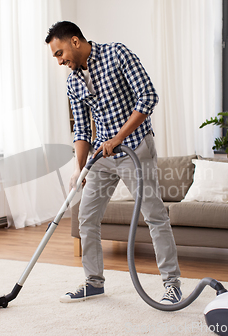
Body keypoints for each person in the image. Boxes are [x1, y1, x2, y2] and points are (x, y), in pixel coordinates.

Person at [45, 21, 181, 304]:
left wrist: (118, 138)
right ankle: (94, 283)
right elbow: (82, 130)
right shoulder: (73, 82)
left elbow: (148, 97)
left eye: (59, 54)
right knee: (86, 218)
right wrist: (79, 168)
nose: (59, 61)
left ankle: (172, 284)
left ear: (74, 41)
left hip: (135, 148)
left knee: (154, 216)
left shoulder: (117, 54)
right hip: (102, 157)